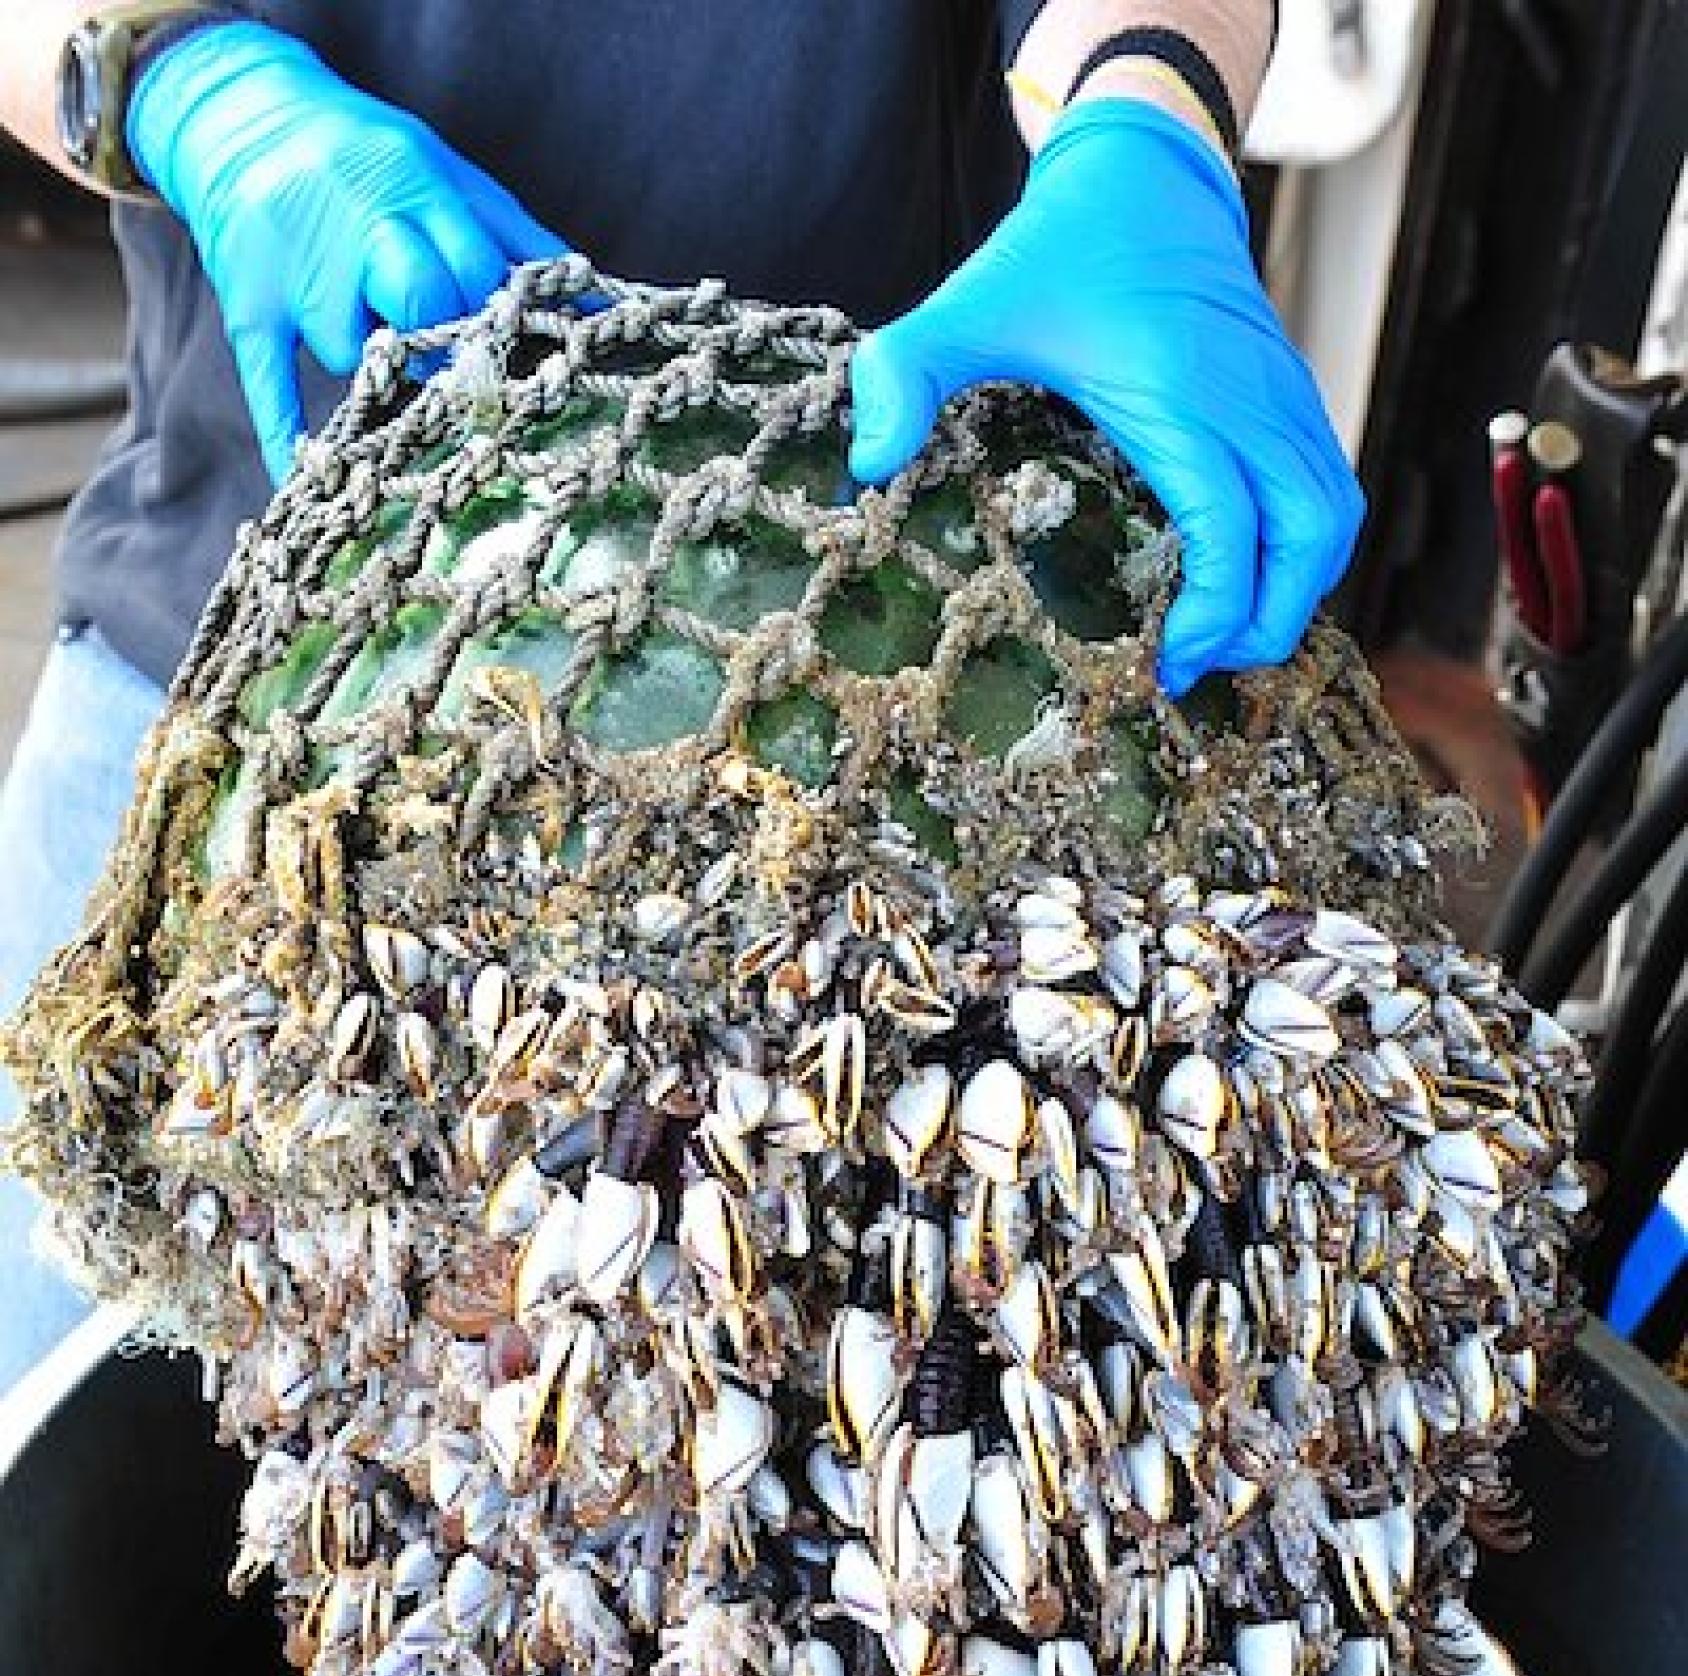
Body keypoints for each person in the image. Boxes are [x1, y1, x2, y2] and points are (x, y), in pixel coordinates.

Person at [0, 0, 1362, 1394]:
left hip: (889, 739)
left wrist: (1149, 122)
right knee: (53, 1410)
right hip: (238, 676)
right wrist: (170, 79)